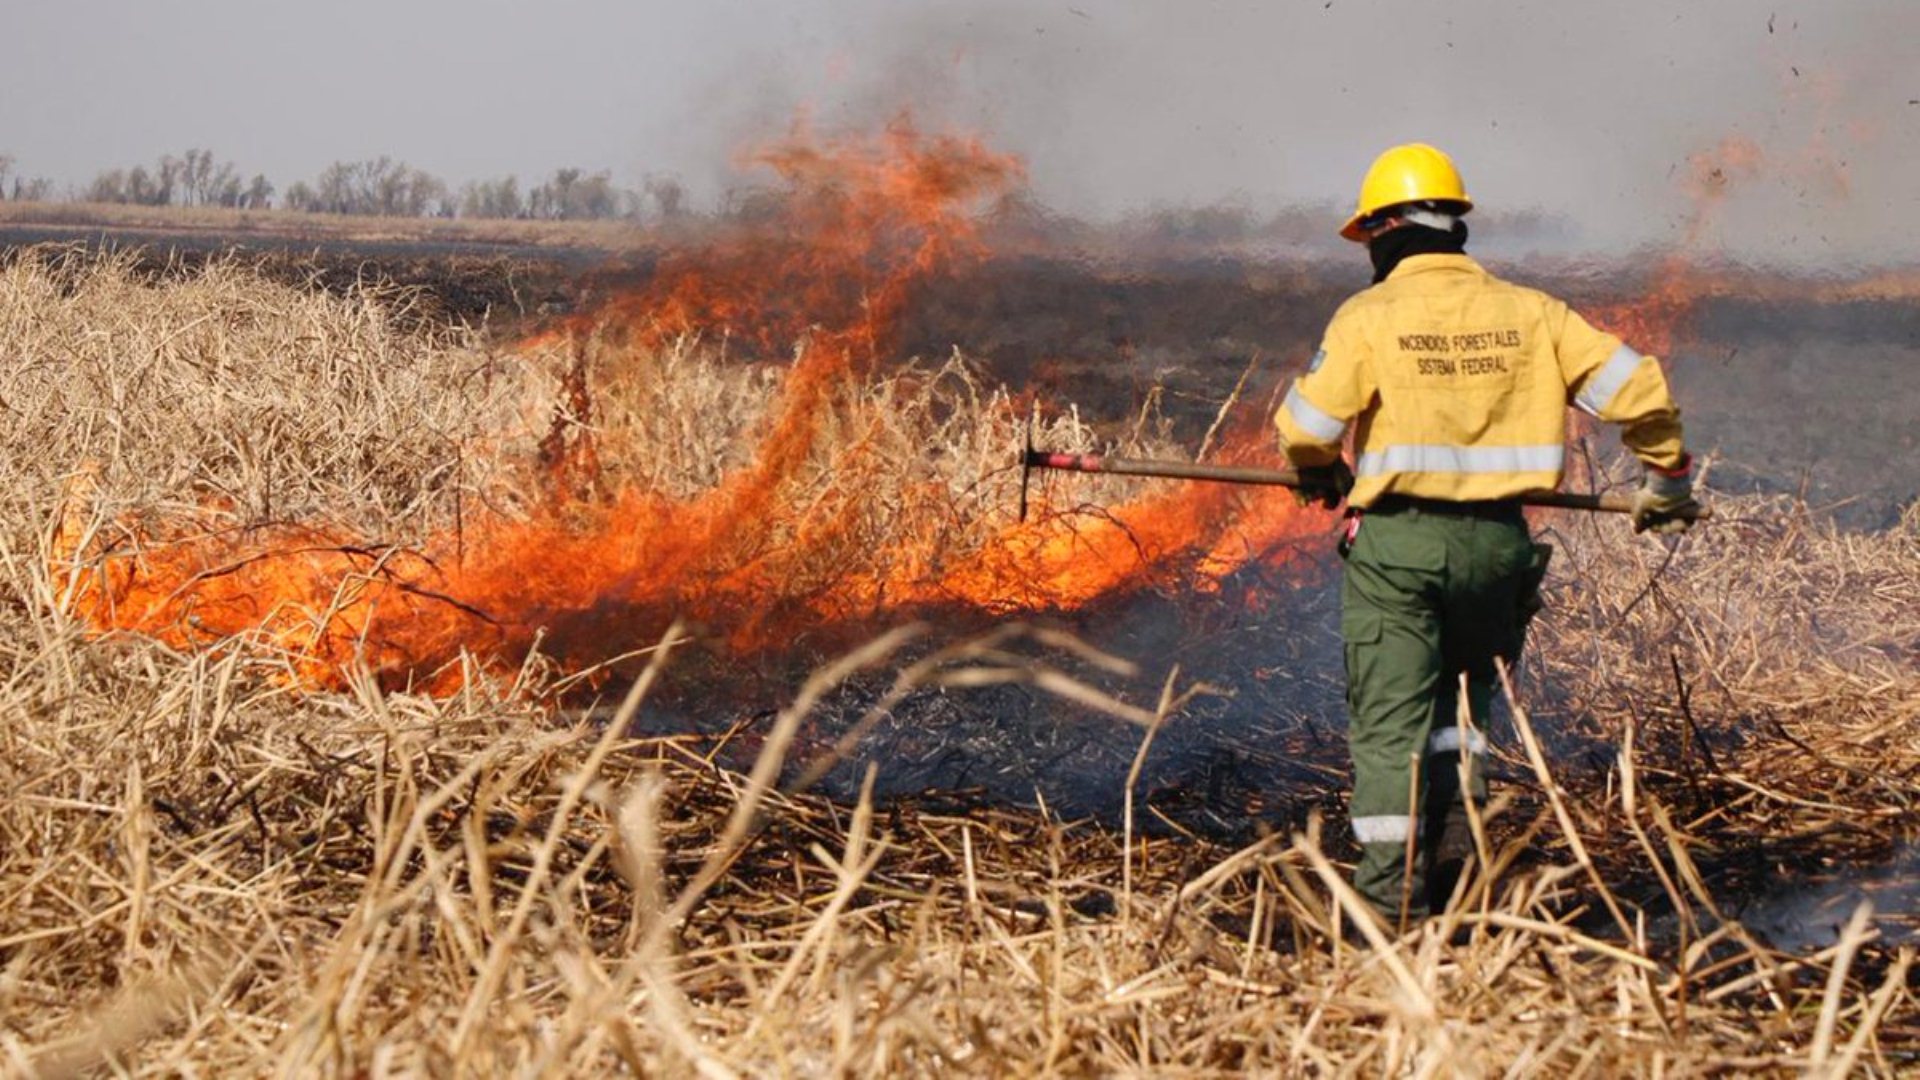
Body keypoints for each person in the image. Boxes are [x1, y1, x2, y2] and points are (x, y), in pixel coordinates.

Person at [1272, 143, 1699, 929]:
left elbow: (1306, 428)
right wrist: (1667, 482)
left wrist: (1320, 470)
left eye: (1369, 237)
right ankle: (1462, 873)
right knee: (1462, 714)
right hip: (1500, 549)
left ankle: (1389, 919)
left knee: (1393, 728)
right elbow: (1639, 391)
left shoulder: (1371, 315)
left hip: (1401, 550)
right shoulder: (1534, 312)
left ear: (1386, 229)